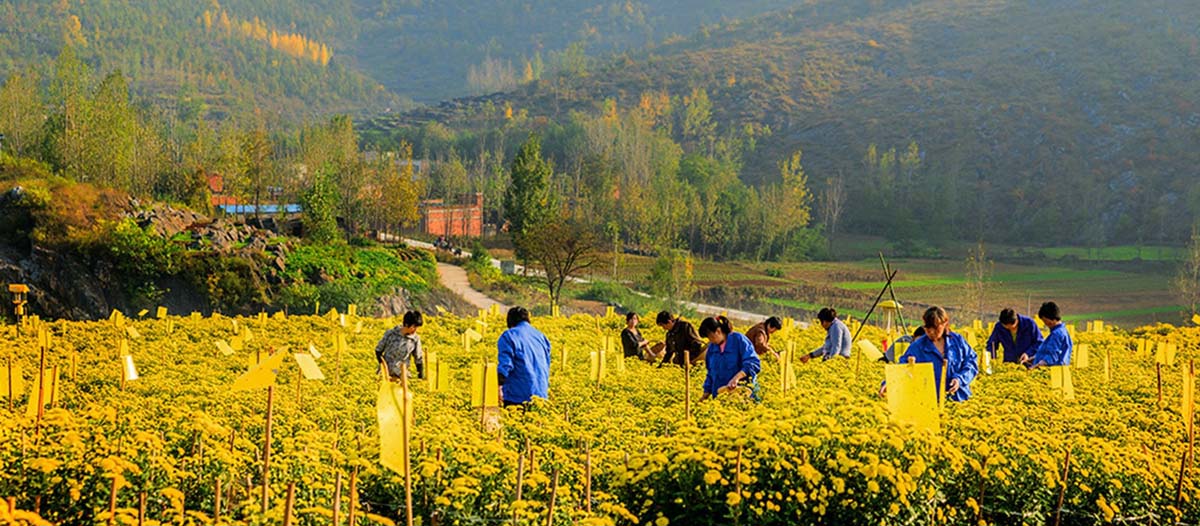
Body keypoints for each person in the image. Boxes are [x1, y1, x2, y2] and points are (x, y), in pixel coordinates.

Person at [879, 306, 979, 402]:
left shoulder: (958, 341)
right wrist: (889, 382)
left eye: (936, 328)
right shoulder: (918, 346)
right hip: (930, 402)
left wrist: (960, 379)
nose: (931, 332)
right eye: (928, 329)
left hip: (960, 400)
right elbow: (903, 366)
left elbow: (971, 363)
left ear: (945, 324)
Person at [497, 306, 552, 406]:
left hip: (517, 395)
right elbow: (547, 363)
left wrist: (498, 385)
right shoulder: (540, 336)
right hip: (541, 395)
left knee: (514, 420)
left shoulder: (509, 335)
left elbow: (505, 365)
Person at [697, 316, 762, 400]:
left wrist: (736, 378)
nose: (710, 340)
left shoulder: (738, 340)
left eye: (711, 337)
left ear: (718, 331)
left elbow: (753, 363)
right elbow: (710, 373)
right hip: (720, 397)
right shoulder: (712, 348)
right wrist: (705, 395)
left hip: (742, 395)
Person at [375, 310, 425, 381]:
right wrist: (382, 365)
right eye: (414, 327)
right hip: (385, 374)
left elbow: (418, 359)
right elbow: (378, 350)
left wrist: (420, 378)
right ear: (407, 324)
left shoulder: (415, 339)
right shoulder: (391, 334)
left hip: (402, 376)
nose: (415, 330)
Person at [1022, 302, 1072, 370]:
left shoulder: (1056, 334)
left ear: (1051, 319)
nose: (1045, 323)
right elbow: (1047, 352)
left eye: (1045, 320)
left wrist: (1035, 367)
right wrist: (1034, 358)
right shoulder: (1062, 331)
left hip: (1050, 371)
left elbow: (1051, 357)